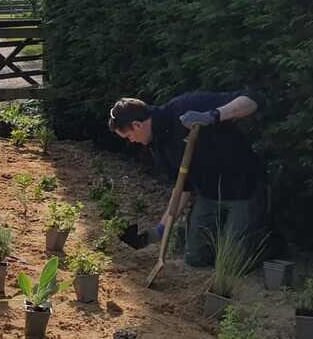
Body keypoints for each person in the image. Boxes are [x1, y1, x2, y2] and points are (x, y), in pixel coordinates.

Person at [108, 90, 266, 267]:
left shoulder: (185, 106)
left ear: (137, 125)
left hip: (244, 189)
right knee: (194, 257)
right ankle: (226, 238)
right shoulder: (157, 145)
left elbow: (251, 100)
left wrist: (213, 115)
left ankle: (263, 241)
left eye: (129, 136)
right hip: (208, 195)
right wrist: (160, 230)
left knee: (233, 263)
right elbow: (182, 188)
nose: (132, 141)